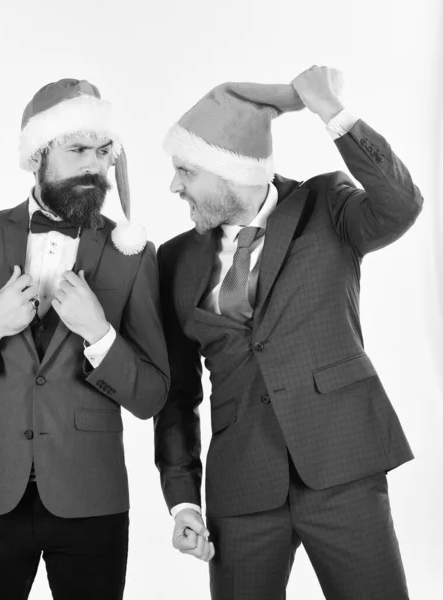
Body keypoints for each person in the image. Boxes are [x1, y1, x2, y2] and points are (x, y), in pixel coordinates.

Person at [154, 65, 422, 599]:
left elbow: (400, 206)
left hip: (342, 468)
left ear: (227, 171)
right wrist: (184, 499)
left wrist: (333, 112)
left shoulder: (327, 205)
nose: (174, 185)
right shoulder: (176, 259)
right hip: (242, 488)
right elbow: (175, 395)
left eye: (186, 170)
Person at [0, 78, 169, 600]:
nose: (93, 165)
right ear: (37, 156)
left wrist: (99, 335)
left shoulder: (132, 254)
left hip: (90, 499)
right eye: (76, 150)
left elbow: (152, 396)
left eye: (102, 151)